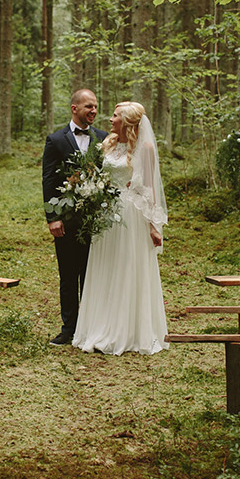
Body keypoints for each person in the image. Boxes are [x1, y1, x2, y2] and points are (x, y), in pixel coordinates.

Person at [72, 101, 169, 355]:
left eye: (115, 116)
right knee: (106, 267)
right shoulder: (109, 143)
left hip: (131, 215)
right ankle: (101, 325)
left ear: (127, 121)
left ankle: (128, 330)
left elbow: (149, 188)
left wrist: (154, 226)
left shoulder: (145, 147)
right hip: (106, 212)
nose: (110, 119)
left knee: (127, 267)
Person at [43, 89, 109, 345]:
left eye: (96, 107)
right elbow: (48, 180)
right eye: (88, 107)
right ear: (74, 108)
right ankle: (68, 328)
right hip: (67, 221)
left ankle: (93, 328)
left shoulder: (104, 138)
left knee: (93, 274)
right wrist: (53, 217)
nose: (93, 111)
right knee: (68, 275)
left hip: (97, 221)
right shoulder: (56, 140)